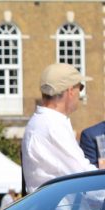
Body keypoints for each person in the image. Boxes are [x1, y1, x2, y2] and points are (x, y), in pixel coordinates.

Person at [21, 63, 99, 192]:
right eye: (80, 87)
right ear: (70, 91)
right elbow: (83, 175)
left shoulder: (46, 122)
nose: (80, 94)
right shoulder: (52, 126)